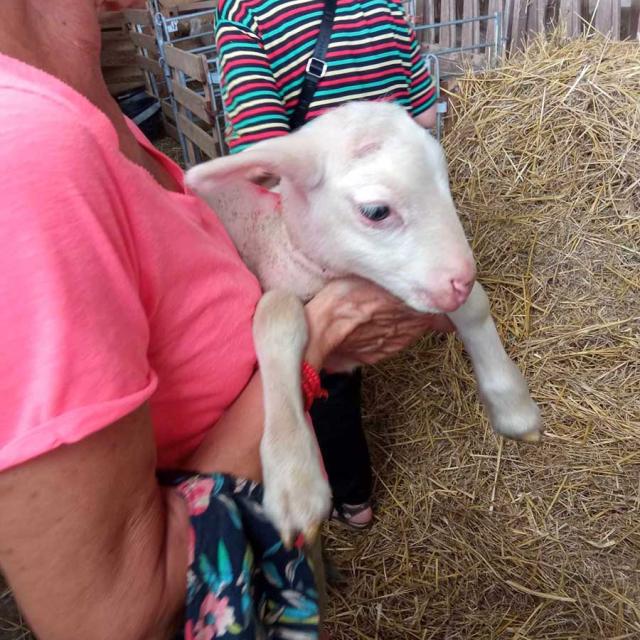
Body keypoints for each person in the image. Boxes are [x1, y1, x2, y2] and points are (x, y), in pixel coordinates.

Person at [0, 1, 448, 638]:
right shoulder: (28, 156)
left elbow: (269, 164)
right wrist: (318, 334)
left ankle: (347, 509)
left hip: (253, 564)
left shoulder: (94, 106)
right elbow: (110, 616)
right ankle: (356, 503)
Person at [215, 0, 438, 528]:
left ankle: (352, 501)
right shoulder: (383, 5)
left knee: (325, 360)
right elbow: (425, 117)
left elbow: (263, 160)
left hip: (324, 233)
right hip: (396, 223)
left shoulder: (247, 15)